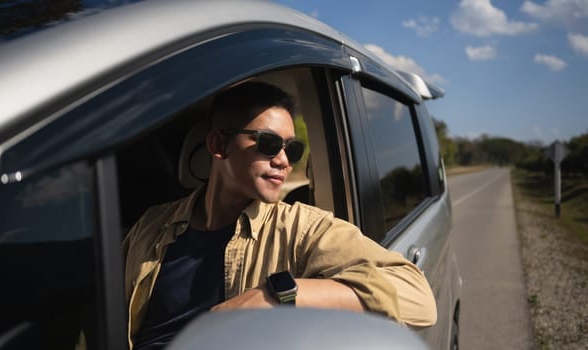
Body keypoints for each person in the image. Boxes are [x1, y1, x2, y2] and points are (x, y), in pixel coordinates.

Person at [122, 81, 437, 350]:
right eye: (269, 144)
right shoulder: (151, 225)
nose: (285, 161)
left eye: (292, 149)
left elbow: (418, 297)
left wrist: (274, 297)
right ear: (218, 144)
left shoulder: (301, 229)